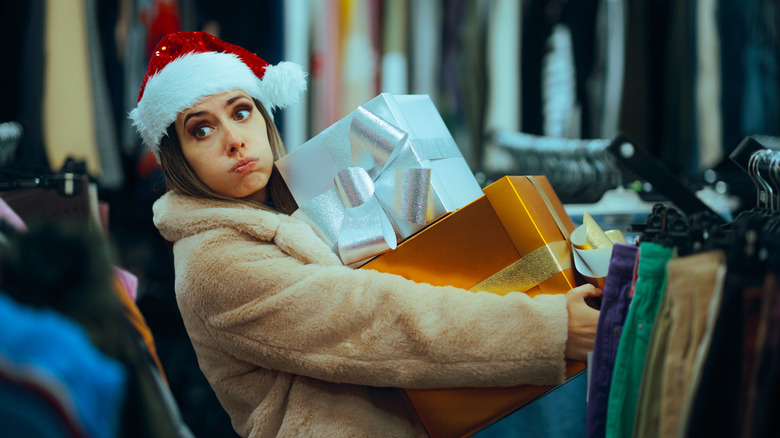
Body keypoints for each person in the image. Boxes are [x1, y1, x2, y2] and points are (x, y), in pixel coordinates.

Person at [131, 31, 601, 438]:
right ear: (179, 158)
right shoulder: (216, 263)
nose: (233, 138)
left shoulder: (296, 204)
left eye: (240, 112)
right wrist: (548, 329)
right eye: (201, 129)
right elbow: (373, 317)